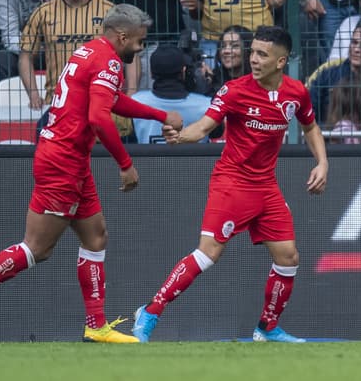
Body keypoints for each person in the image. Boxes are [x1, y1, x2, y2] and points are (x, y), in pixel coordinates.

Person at [0, 4, 179, 343]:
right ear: (122, 36)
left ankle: (96, 326)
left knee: (96, 237)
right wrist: (125, 164)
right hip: (62, 162)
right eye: (139, 42)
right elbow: (99, 117)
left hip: (70, 159)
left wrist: (159, 115)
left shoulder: (89, 52)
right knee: (37, 248)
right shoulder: (109, 60)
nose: (140, 48)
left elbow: (110, 102)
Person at [132, 25, 328, 345]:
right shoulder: (234, 90)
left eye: (262, 54)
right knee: (208, 254)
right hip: (232, 182)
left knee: (288, 257)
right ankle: (150, 311)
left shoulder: (296, 93)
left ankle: (267, 329)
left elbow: (311, 127)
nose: (253, 59)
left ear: (281, 62)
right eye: (253, 52)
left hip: (266, 187)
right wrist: (181, 137)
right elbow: (204, 126)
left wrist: (322, 162)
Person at [19, 0, 112, 110]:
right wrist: (34, 94)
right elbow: (25, 57)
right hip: (57, 104)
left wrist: (131, 92)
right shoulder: (44, 12)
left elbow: (131, 57)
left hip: (99, 105)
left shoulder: (109, 12)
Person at [130, 45, 212, 144]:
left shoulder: (136, 102)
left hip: (151, 159)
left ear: (151, 73)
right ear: (183, 71)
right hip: (197, 160)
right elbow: (217, 134)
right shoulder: (206, 105)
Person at [198, 23, 251, 97]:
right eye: (223, 46)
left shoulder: (258, 81)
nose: (226, 51)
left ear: (247, 49)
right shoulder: (213, 79)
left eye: (234, 46)